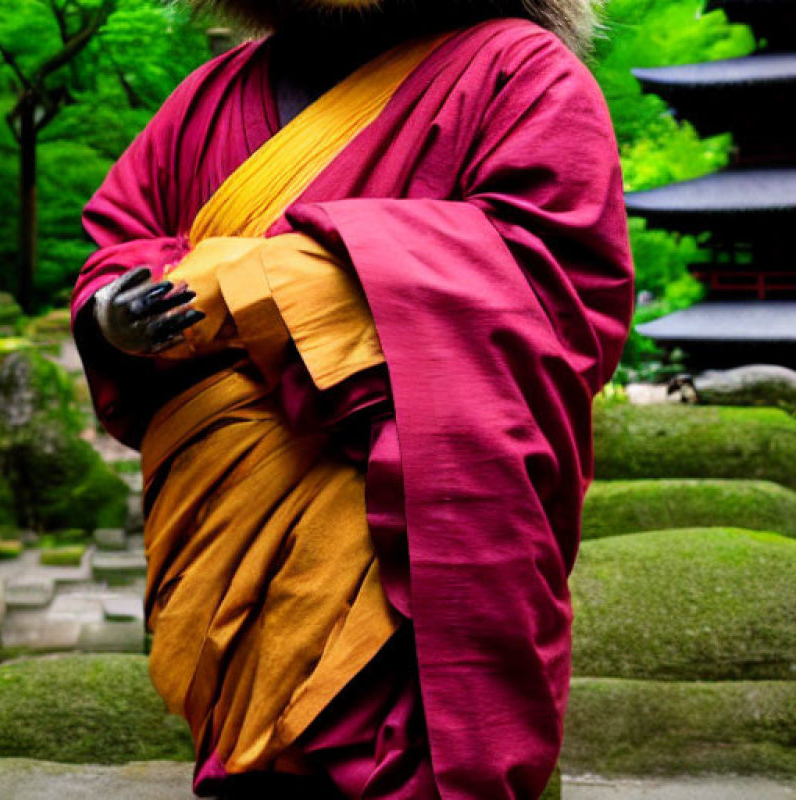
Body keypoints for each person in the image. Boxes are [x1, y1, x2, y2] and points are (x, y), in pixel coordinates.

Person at [71, 2, 634, 796]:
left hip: (403, 488)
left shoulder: (519, 71)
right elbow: (119, 244)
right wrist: (113, 318)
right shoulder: (208, 96)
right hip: (224, 486)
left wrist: (264, 281)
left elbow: (555, 283)